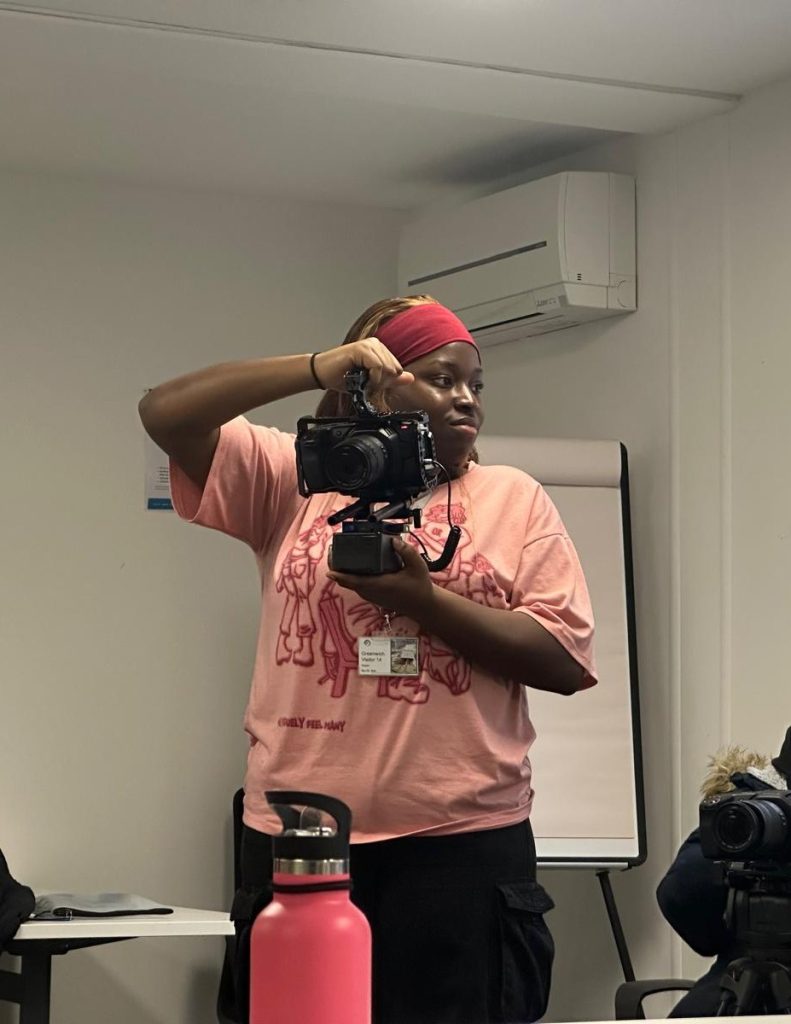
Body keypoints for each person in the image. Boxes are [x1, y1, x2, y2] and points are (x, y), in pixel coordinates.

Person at [139, 295, 598, 1024]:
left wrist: (426, 600)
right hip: (302, 840)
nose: (465, 399)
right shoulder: (295, 479)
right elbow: (166, 412)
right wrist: (320, 365)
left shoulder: (512, 498)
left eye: (474, 384)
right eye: (442, 379)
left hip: (460, 845)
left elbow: (564, 659)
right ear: (377, 383)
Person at [657, 727, 791, 1017]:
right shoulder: (759, 812)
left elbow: (681, 896)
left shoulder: (756, 807)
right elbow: (683, 892)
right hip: (750, 982)